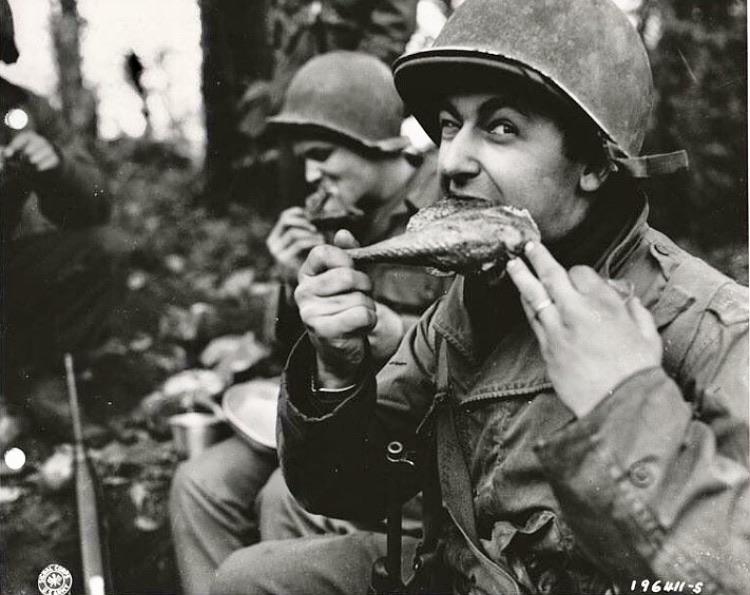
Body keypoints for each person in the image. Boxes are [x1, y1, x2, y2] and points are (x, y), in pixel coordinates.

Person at [211, 0, 750, 594]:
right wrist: (337, 372)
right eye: (448, 124)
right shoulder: (465, 307)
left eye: (500, 128)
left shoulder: (713, 329)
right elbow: (347, 488)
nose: (451, 161)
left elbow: (730, 574)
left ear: (594, 162)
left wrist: (623, 406)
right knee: (252, 580)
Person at [169, 51, 450, 595]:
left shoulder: (443, 206)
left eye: (322, 154)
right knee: (199, 483)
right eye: (302, 160)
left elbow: (463, 340)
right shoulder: (329, 211)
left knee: (286, 496)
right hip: (322, 417)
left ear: (378, 142)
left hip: (403, 435)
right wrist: (286, 279)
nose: (308, 175)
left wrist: (391, 331)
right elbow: (287, 352)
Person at [0, 0, 128, 447]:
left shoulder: (22, 109)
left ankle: (39, 381)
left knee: (102, 249)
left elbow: (95, 205)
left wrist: (55, 169)